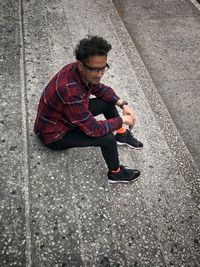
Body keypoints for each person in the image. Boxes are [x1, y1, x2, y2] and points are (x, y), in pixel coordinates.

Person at [34, 35, 143, 184]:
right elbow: (93, 129)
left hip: (67, 116)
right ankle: (115, 173)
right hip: (55, 135)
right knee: (107, 138)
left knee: (107, 102)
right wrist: (122, 120)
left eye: (103, 68)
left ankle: (122, 135)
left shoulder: (77, 71)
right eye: (95, 69)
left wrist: (123, 104)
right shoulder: (70, 91)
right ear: (80, 65)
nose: (100, 74)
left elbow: (100, 89)